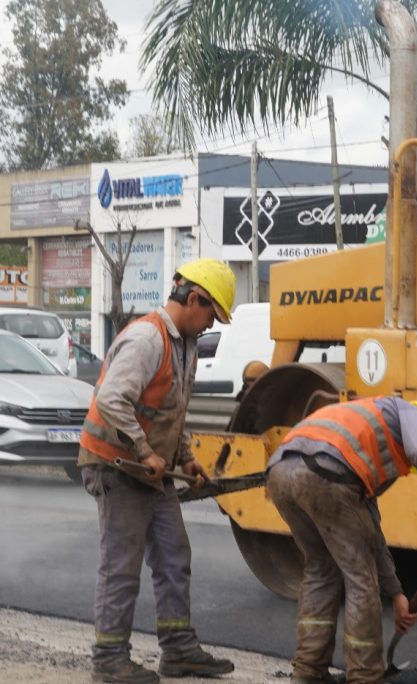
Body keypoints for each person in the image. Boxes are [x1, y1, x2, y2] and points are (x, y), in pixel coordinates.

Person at [77, 258, 237, 684]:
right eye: (211, 314)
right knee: (121, 564)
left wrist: (183, 457)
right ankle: (109, 660)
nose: (209, 325)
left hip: (151, 471)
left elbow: (170, 409)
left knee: (173, 555)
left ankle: (179, 651)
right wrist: (146, 450)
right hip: (116, 466)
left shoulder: (184, 345)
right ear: (194, 297)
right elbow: (112, 399)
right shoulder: (148, 338)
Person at [266, 396, 417, 684]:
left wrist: (396, 593)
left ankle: (308, 672)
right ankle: (365, 676)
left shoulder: (363, 424)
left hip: (280, 471)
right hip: (326, 472)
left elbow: (371, 532)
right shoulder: (414, 414)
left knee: (320, 570)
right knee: (361, 580)